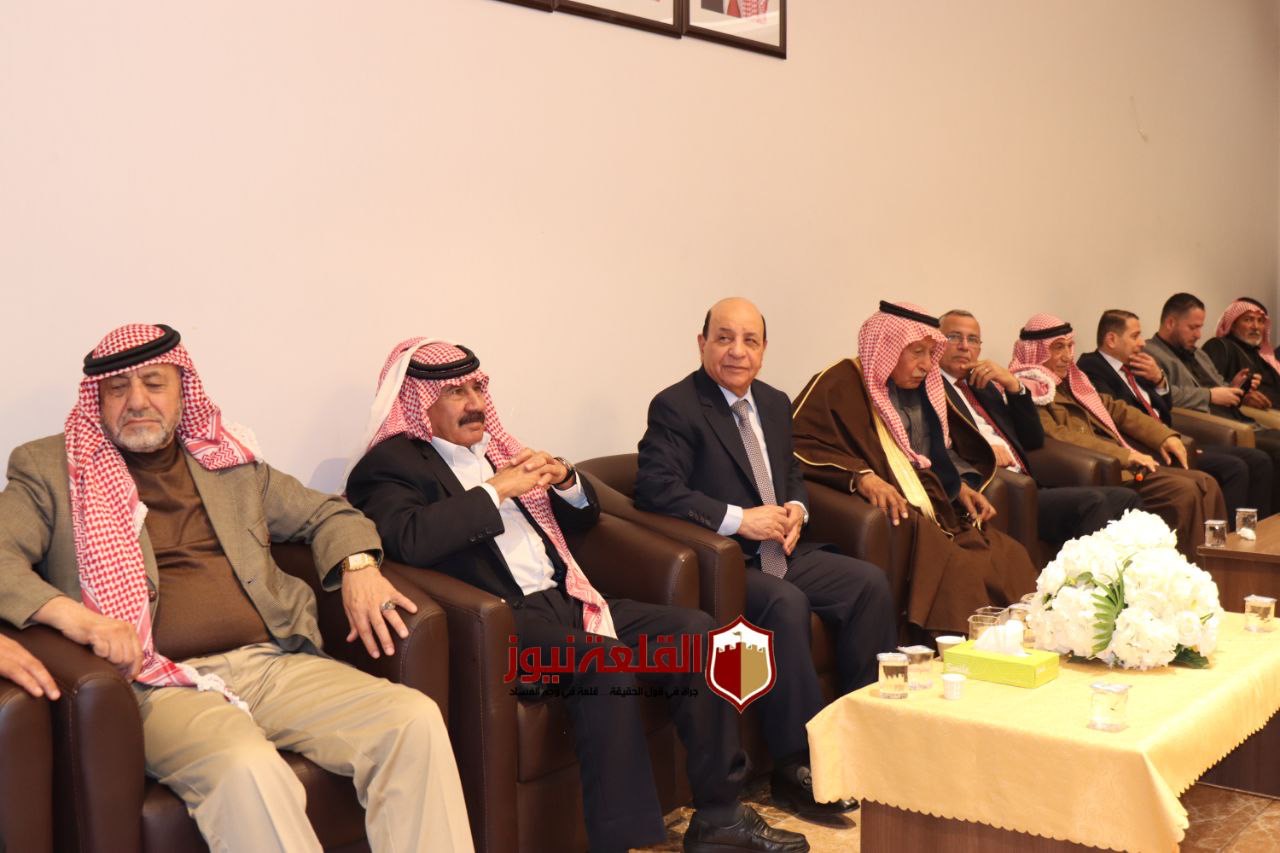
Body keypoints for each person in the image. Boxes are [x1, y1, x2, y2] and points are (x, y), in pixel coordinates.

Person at [0, 323, 472, 853]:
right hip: (156, 683)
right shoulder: (52, 470)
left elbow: (327, 513)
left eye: (154, 384)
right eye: (117, 388)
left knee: (411, 721)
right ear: (98, 400)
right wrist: (76, 618)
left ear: (183, 391)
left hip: (271, 662)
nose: (136, 401)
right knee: (250, 767)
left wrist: (360, 566)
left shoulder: (226, 460)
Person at [345, 339, 807, 853]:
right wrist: (497, 490)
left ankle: (721, 817)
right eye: (457, 392)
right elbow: (409, 539)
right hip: (501, 624)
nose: (475, 403)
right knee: (605, 662)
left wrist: (565, 479)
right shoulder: (390, 466)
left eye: (478, 388)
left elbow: (584, 519)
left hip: (566, 597)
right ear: (418, 400)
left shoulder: (497, 449)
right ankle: (620, 842)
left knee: (699, 633)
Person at [634, 298, 895, 819]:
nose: (737, 351)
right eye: (724, 338)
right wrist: (739, 519)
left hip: (784, 549)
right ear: (702, 343)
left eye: (749, 341)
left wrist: (797, 509)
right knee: (785, 602)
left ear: (764, 349)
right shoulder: (676, 406)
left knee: (868, 584)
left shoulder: (774, 403)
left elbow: (789, 475)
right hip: (728, 563)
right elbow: (655, 489)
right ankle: (797, 767)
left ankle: (864, 737)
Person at [789, 302, 1038, 635]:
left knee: (1008, 554)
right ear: (886, 347)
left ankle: (1020, 638)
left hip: (932, 499)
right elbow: (799, 442)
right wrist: (860, 477)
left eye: (930, 354)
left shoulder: (921, 387)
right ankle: (963, 649)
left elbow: (931, 452)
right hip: (898, 507)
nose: (926, 365)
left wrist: (958, 486)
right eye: (917, 352)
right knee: (960, 569)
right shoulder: (840, 382)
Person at [1010, 314, 1225, 560]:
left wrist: (1164, 436)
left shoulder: (1071, 382)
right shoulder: (1030, 390)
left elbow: (1118, 409)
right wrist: (1124, 455)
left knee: (1206, 483)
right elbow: (1059, 436)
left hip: (1120, 463)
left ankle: (1217, 566)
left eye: (1069, 346)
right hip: (1104, 468)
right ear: (1036, 351)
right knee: (1184, 491)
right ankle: (1181, 569)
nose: (1068, 356)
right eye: (1058, 347)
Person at [938, 309, 1141, 548]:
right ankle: (1096, 572)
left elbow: (1032, 439)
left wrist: (1014, 386)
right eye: (954, 337)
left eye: (972, 339)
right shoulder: (934, 390)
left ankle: (1133, 570)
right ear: (939, 342)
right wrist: (986, 449)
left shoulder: (983, 384)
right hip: (1000, 489)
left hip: (1029, 483)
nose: (964, 346)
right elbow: (939, 448)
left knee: (1127, 499)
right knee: (1093, 502)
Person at [1080, 309, 1272, 518]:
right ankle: (1228, 535)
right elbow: (1117, 419)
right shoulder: (1092, 368)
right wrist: (1167, 440)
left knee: (1258, 459)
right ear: (1111, 339)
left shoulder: (1135, 364)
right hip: (1149, 447)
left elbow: (1165, 409)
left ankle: (1257, 530)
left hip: (1172, 438)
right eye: (1135, 336)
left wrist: (1159, 380)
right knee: (1234, 468)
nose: (1142, 343)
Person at [1204, 297, 1280, 429]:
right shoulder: (1219, 346)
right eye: (1248, 319)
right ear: (1232, 324)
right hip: (1245, 418)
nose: (1255, 326)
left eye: (1260, 321)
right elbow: (1209, 389)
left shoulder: (1262, 356)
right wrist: (1242, 397)